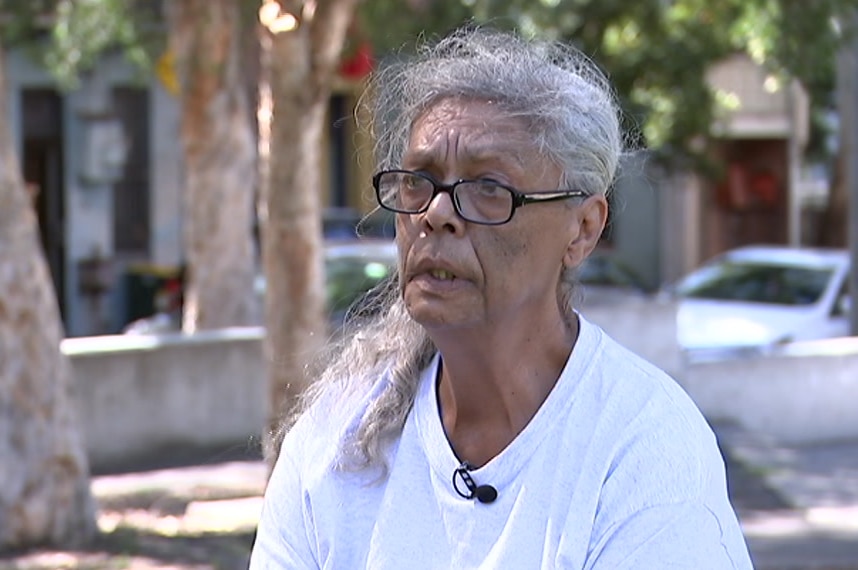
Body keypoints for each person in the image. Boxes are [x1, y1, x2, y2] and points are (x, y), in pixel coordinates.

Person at [249, 25, 754, 569]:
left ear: (582, 229)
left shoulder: (644, 447)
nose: (435, 214)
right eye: (418, 182)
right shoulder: (337, 441)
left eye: (489, 189)